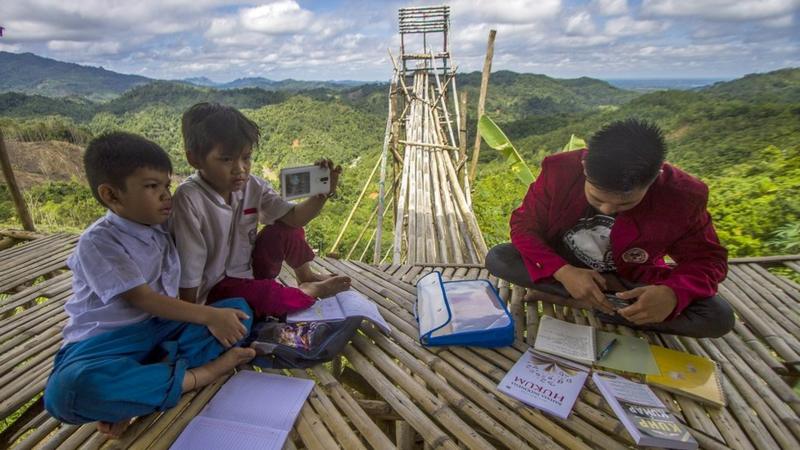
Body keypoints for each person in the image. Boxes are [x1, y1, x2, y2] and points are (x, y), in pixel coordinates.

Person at [44, 132, 256, 437]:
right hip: (106, 345)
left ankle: (139, 393)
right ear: (111, 195)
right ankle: (202, 374)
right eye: (151, 186)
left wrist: (217, 315)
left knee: (238, 313)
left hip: (162, 332)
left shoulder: (160, 226)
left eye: (166, 186)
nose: (165, 195)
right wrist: (209, 315)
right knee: (67, 392)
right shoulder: (100, 240)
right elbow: (142, 299)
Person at [486, 119, 735, 338]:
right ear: (585, 168)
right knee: (500, 257)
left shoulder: (683, 195)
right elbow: (523, 226)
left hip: (628, 279)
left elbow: (708, 259)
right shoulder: (559, 171)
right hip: (565, 265)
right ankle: (607, 307)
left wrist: (672, 294)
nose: (606, 209)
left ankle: (598, 304)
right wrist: (564, 272)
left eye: (626, 203)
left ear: (654, 178)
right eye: (596, 199)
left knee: (717, 316)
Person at [170, 103, 351, 318]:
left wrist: (321, 195)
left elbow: (294, 218)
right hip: (215, 289)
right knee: (269, 295)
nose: (240, 168)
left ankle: (306, 276)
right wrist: (193, 314)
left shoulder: (253, 186)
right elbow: (190, 265)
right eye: (227, 159)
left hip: (251, 271)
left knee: (286, 229)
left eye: (246, 157)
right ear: (194, 159)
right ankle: (309, 291)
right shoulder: (189, 198)